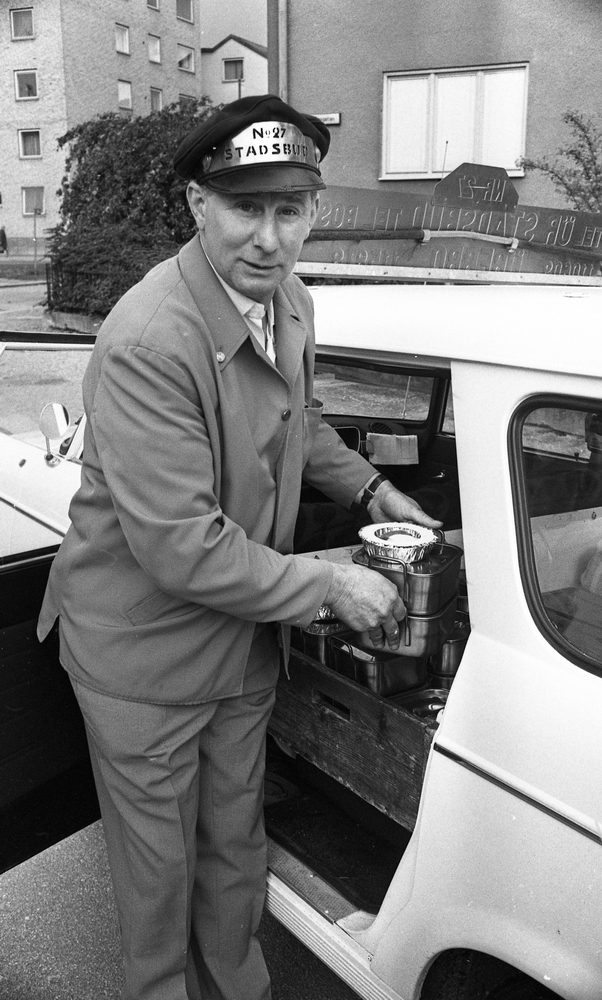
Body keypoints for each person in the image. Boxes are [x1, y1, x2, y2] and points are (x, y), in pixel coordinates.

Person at [37, 94, 441, 1000]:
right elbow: (182, 545)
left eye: (289, 210)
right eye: (244, 208)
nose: (268, 238)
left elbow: (301, 423)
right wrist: (331, 585)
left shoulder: (288, 299)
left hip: (241, 639)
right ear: (197, 204)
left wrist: (374, 491)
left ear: (313, 211)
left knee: (234, 852)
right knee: (158, 884)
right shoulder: (150, 338)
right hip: (143, 656)